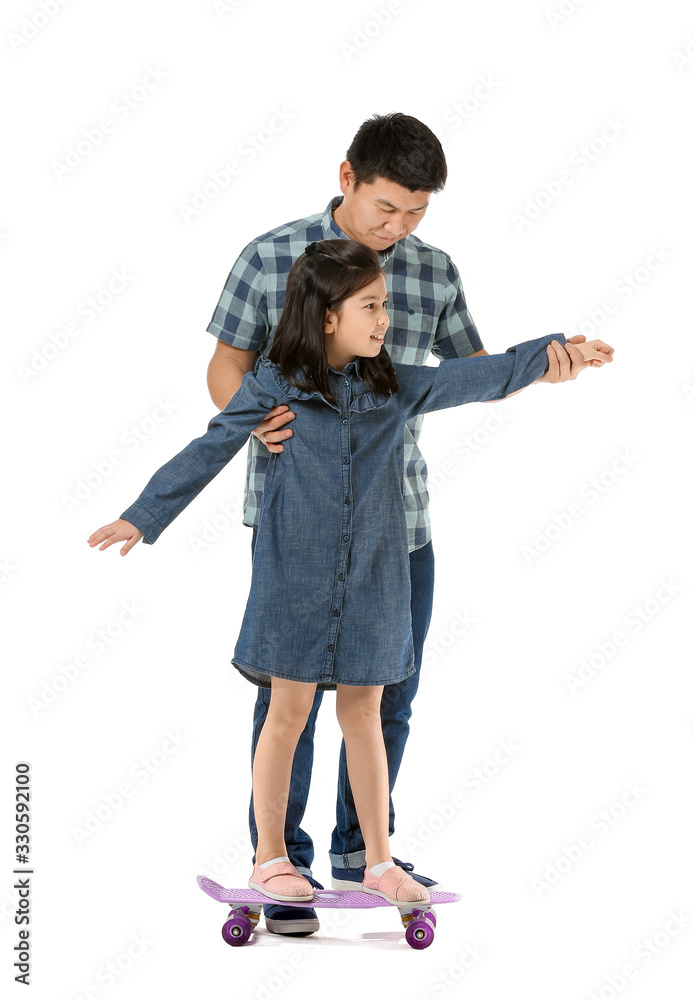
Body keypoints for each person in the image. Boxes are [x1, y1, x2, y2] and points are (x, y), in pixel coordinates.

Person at [87, 239, 612, 910]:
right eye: (370, 306)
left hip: (374, 579)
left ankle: (377, 860)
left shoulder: (395, 386)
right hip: (294, 579)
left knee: (365, 713)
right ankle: (271, 856)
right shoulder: (274, 386)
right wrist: (142, 515)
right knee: (289, 711)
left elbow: (482, 376)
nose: (385, 319)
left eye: (385, 303)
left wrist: (552, 355)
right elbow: (210, 447)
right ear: (327, 315)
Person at [202, 112, 605, 935]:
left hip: (398, 519)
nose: (400, 228)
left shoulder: (432, 270)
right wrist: (251, 419)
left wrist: (543, 366)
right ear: (346, 177)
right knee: (292, 695)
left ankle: (364, 855)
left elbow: (468, 371)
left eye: (418, 212)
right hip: (297, 514)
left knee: (387, 691)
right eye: (388, 208)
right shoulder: (272, 255)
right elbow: (226, 362)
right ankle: (282, 861)